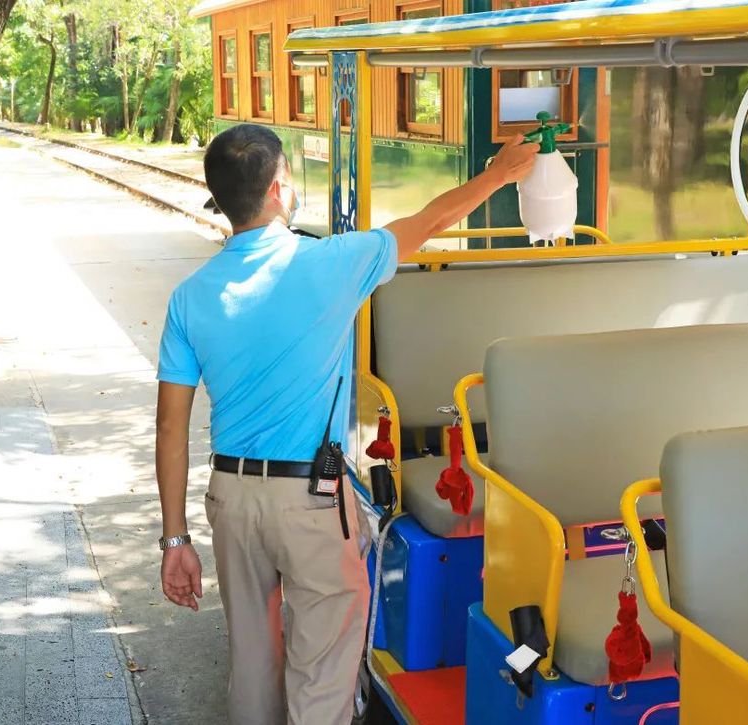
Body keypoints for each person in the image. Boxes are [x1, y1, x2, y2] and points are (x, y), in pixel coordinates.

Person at [154, 123, 538, 725]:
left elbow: (171, 430)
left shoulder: (189, 297)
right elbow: (431, 223)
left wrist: (175, 539)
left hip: (229, 499)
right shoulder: (333, 263)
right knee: (324, 667)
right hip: (310, 500)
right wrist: (500, 174)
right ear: (281, 189)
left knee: (252, 659)